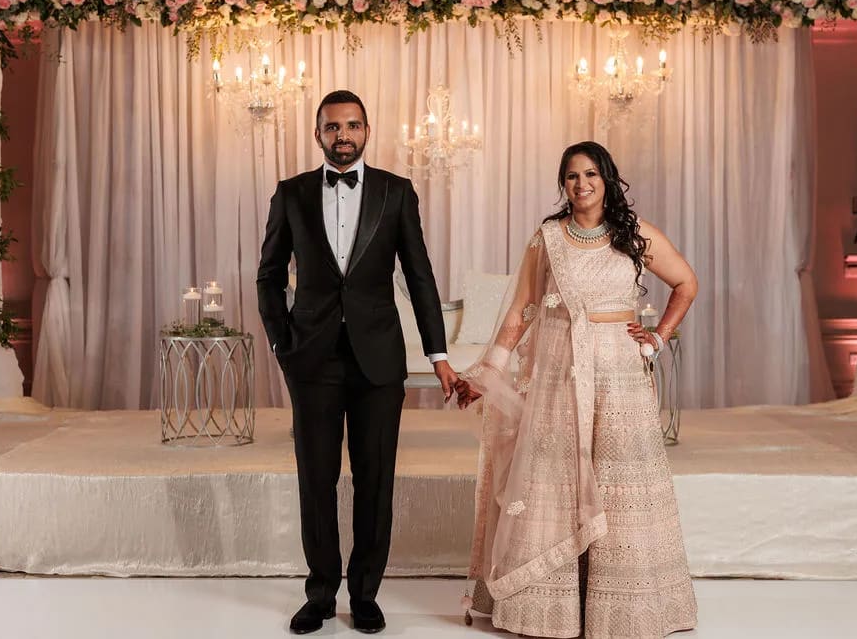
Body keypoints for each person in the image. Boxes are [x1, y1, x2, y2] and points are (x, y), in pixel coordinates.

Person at [455, 141, 698, 638]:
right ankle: (552, 607)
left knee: (617, 479)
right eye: (571, 176)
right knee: (556, 474)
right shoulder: (548, 237)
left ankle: (623, 608)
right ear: (563, 184)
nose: (581, 184)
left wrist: (657, 337)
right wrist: (489, 372)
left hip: (619, 374)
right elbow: (521, 310)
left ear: (607, 179)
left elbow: (686, 283)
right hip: (559, 373)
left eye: (590, 174)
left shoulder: (634, 234)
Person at [257, 90, 459, 634]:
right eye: (332, 127)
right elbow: (268, 276)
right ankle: (321, 593)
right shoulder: (292, 193)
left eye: (352, 125)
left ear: (367, 131)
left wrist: (438, 354)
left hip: (379, 361)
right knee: (316, 480)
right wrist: (280, 343)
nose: (342, 135)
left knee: (375, 481)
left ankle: (365, 593)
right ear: (317, 134)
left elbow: (419, 276)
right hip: (311, 360)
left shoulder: (396, 191)